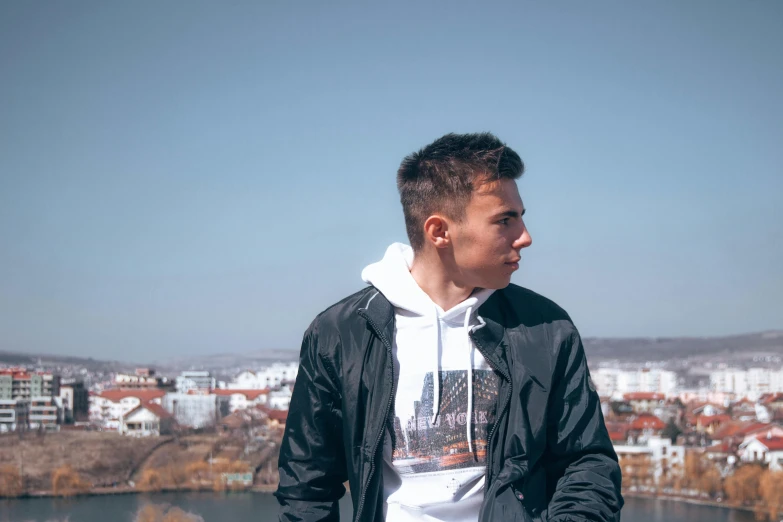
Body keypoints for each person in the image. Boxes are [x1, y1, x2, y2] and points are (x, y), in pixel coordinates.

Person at [275, 133, 623, 522]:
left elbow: (587, 464)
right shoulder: (342, 333)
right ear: (439, 232)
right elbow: (306, 487)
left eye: (521, 216)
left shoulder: (544, 328)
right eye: (505, 220)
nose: (525, 236)